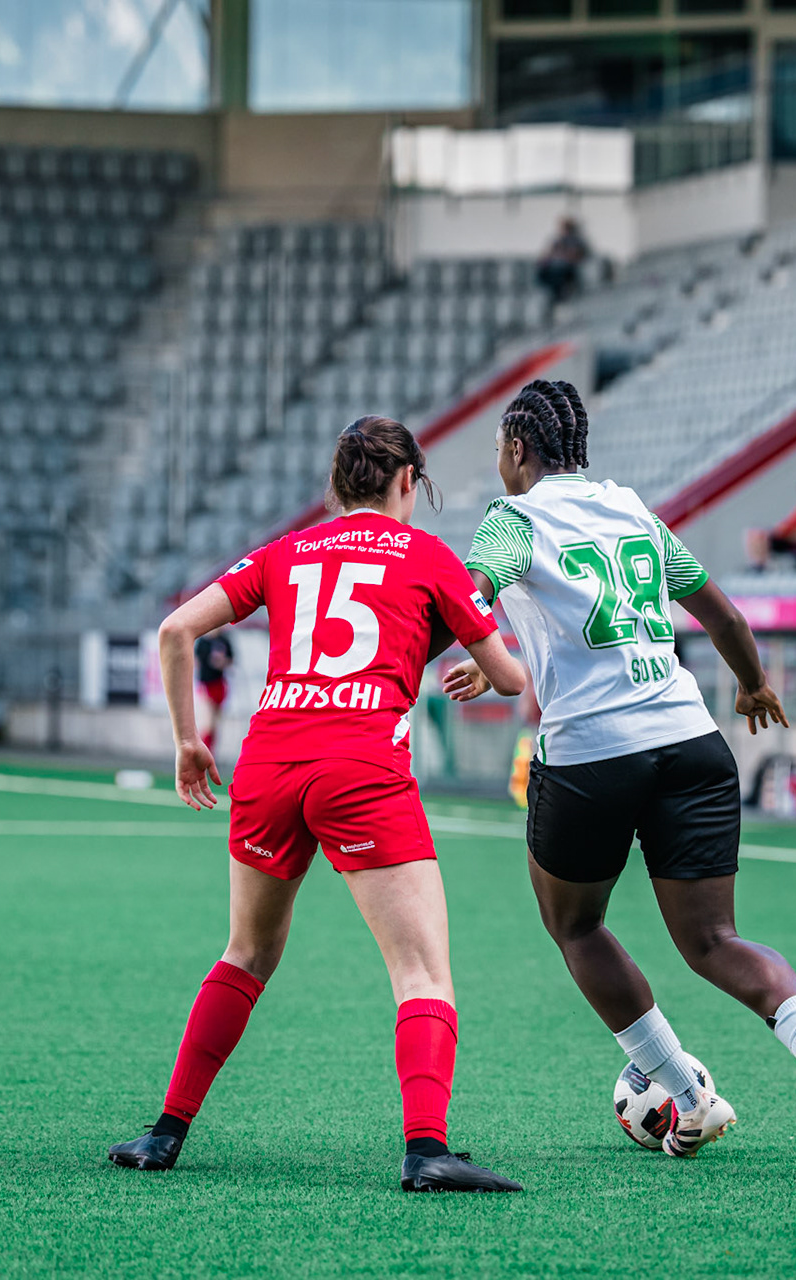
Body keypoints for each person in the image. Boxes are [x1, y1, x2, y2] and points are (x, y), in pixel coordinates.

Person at [444, 379, 796, 1175]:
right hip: (691, 740)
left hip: (593, 750)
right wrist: (751, 684)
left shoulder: (514, 519)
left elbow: (469, 595)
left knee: (575, 926)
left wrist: (473, 652)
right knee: (715, 939)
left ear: (516, 449)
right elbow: (725, 617)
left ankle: (687, 1093)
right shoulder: (633, 510)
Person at [106, 417, 529, 1193]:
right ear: (408, 482)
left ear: (336, 485)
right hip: (360, 768)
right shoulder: (428, 555)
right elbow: (508, 678)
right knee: (421, 971)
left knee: (246, 954)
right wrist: (474, 665)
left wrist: (187, 742)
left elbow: (175, 630)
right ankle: (426, 1148)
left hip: (268, 764)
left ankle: (165, 1133)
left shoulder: (288, 549)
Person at [747, 479, 796, 572]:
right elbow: (788, 522)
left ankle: (760, 566)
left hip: (793, 540)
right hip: (785, 536)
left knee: (763, 537)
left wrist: (786, 532)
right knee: (754, 533)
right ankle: (759, 564)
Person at [192, 628, 234, 757]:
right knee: (207, 724)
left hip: (219, 685)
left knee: (215, 725)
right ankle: (201, 755)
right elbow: (196, 663)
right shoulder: (202, 642)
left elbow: (230, 660)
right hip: (206, 686)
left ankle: (210, 755)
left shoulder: (224, 640)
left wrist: (221, 662)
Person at [535, 217, 590, 307]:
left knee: (558, 276)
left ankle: (559, 300)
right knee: (542, 274)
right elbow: (547, 254)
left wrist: (562, 254)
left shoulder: (576, 241)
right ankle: (553, 299)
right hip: (553, 267)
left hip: (567, 269)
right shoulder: (557, 240)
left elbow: (576, 255)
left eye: (565, 227)